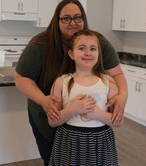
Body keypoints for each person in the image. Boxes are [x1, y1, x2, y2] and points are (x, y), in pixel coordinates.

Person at [14, 0, 127, 165]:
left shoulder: (98, 42)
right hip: (49, 118)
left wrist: (123, 95)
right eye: (66, 18)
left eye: (78, 17)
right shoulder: (40, 45)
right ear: (57, 20)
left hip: (96, 136)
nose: (72, 22)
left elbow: (117, 73)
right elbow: (21, 78)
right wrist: (44, 101)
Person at [48, 29, 123, 166]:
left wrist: (97, 114)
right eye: (82, 48)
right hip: (69, 143)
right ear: (71, 54)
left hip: (101, 143)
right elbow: (52, 122)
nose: (88, 53)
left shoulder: (109, 83)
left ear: (98, 54)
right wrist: (73, 109)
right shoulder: (61, 82)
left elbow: (118, 121)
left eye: (93, 49)